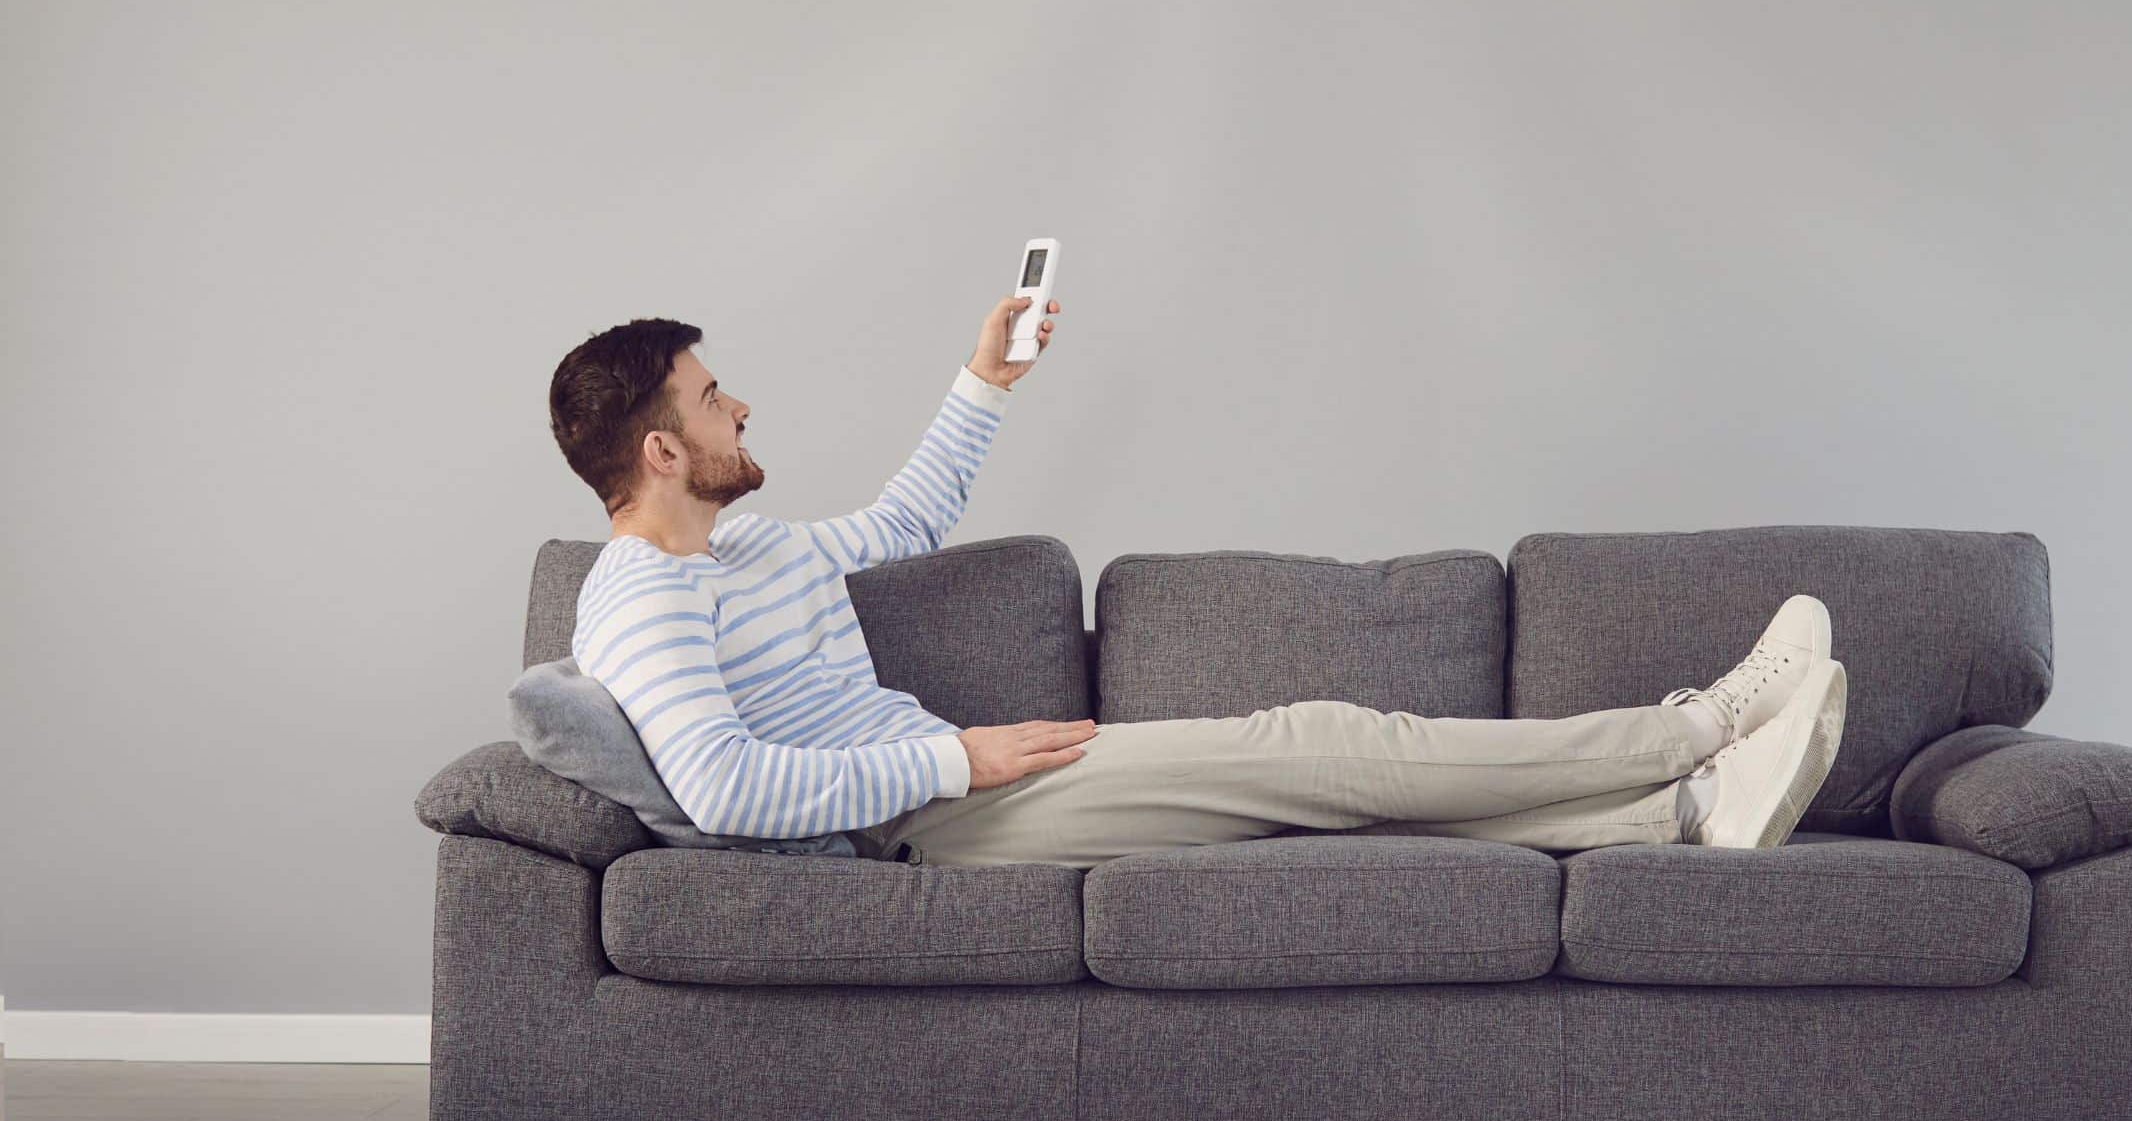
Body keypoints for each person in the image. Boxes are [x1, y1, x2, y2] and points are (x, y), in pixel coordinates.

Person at [545, 302, 1847, 869]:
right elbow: (721, 789)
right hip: (925, 826)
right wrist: (961, 765)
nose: (740, 406)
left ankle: (1679, 815)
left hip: (954, 788)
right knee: (1322, 744)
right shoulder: (647, 600)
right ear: (663, 451)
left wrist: (986, 378)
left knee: (1315, 800)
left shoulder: (749, 549)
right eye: (714, 399)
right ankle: (1700, 724)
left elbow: (909, 517)